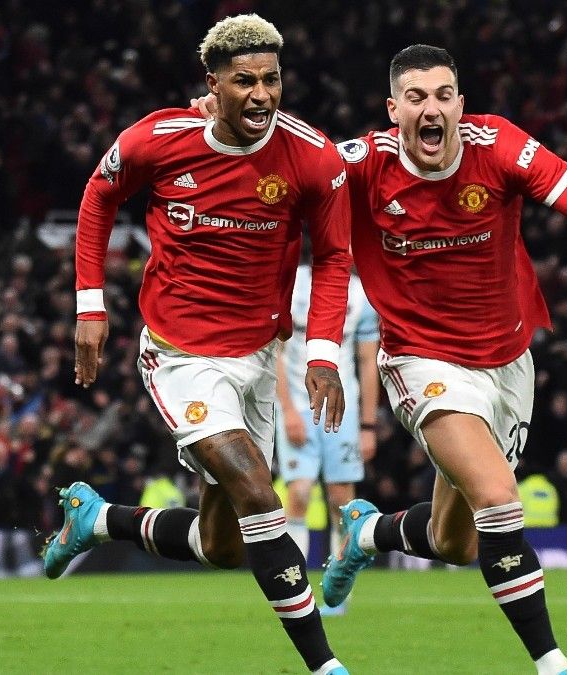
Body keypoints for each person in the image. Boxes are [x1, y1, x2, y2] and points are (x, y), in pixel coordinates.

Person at [322, 45, 567, 675]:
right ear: (393, 109)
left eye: (444, 95)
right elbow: (279, 168)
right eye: (416, 97)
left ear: (460, 103)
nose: (432, 109)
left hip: (507, 363)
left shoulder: (500, 148)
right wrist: (218, 122)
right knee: (501, 498)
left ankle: (368, 534)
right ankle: (553, 662)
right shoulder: (361, 165)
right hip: (421, 361)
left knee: (457, 542)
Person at [42, 15, 352, 675]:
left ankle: (96, 521)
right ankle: (326, 665)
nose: (262, 94)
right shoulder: (160, 139)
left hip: (259, 357)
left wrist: (323, 353)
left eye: (272, 78)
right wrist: (90, 304)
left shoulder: (313, 158)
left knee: (225, 545)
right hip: (179, 354)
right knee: (260, 494)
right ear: (213, 85)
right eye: (245, 81)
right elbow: (98, 195)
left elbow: (333, 257)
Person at [274, 257, 379, 614]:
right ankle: (295, 590)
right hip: (298, 407)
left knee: (341, 503)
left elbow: (368, 361)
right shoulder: (293, 284)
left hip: (342, 409)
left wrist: (368, 425)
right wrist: (286, 410)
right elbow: (278, 351)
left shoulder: (361, 294)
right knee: (299, 493)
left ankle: (338, 590)